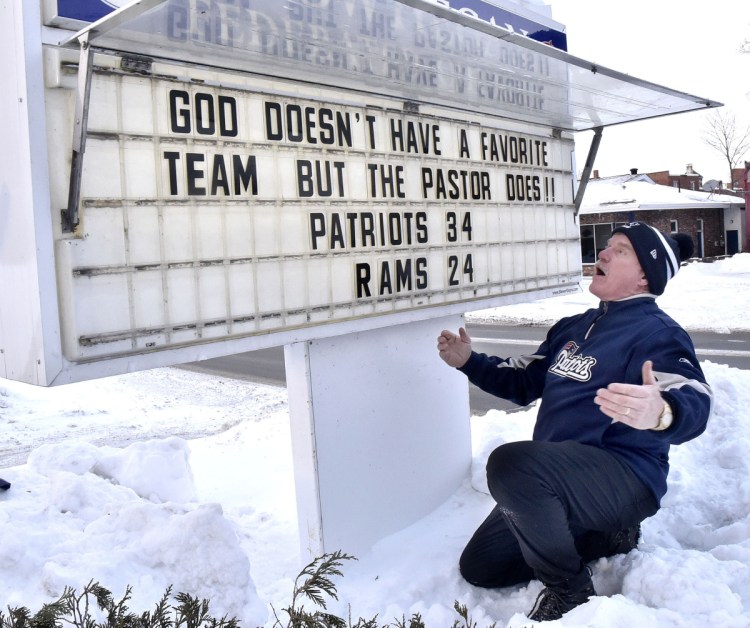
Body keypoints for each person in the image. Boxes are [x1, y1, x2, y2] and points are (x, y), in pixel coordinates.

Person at [437, 222, 712, 622]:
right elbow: (523, 380)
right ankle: (602, 537)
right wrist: (469, 362)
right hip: (560, 481)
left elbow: (696, 398)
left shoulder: (658, 333)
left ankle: (569, 589)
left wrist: (663, 410)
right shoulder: (573, 327)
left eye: (619, 250)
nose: (602, 253)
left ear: (643, 276)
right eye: (608, 246)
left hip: (624, 476)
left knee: (511, 465)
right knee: (481, 567)